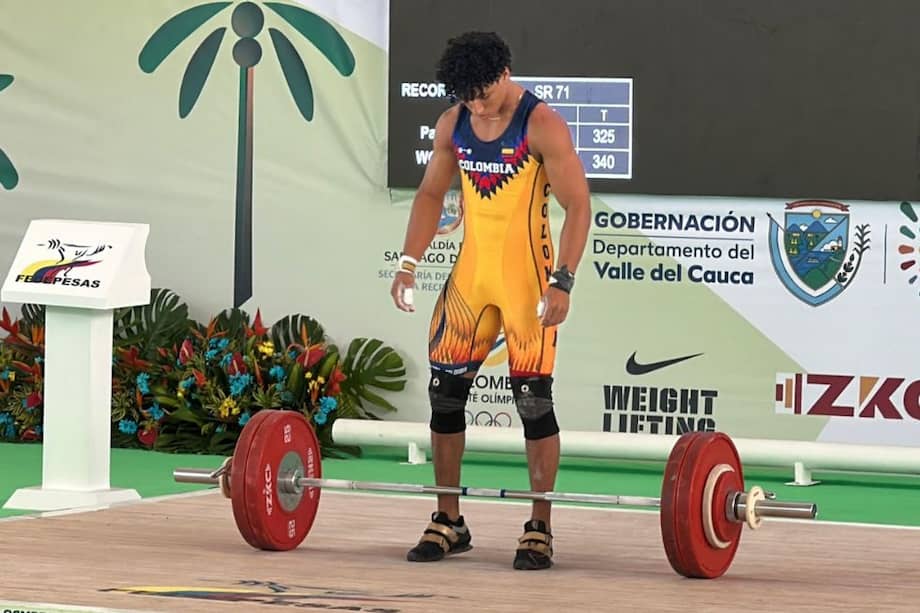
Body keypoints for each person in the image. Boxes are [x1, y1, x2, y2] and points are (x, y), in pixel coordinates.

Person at [389, 31, 591, 570]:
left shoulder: (541, 124)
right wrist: (408, 262)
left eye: (484, 93)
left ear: (505, 73)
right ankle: (448, 521)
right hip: (471, 282)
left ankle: (539, 525)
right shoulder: (454, 123)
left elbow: (578, 205)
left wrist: (563, 280)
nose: (477, 105)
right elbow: (432, 194)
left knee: (532, 403)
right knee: (445, 396)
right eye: (467, 96)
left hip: (528, 283)